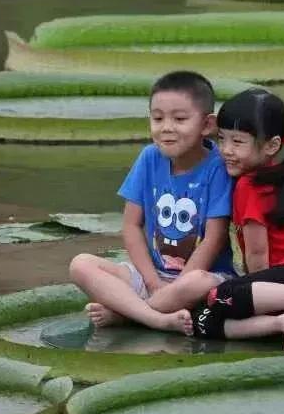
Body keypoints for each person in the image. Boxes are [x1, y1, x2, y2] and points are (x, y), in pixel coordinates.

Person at [174, 88, 284, 350]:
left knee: (221, 295)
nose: (226, 150)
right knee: (202, 321)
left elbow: (257, 256)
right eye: (222, 139)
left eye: (237, 142)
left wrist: (246, 296)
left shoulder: (248, 187)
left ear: (271, 146)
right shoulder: (275, 171)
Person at [69, 70, 237, 333]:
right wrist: (152, 281)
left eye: (180, 118)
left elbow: (214, 239)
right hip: (154, 277)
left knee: (196, 283)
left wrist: (180, 283)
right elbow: (131, 226)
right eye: (157, 118)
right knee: (81, 264)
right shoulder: (149, 158)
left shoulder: (218, 167)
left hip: (201, 277)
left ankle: (127, 314)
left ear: (206, 125)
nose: (166, 127)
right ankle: (156, 316)